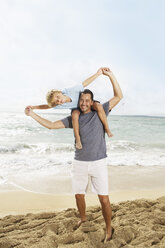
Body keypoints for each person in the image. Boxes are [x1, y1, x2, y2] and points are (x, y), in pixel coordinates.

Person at [25, 67, 123, 243]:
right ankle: (83, 218)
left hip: (99, 162)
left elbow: (118, 96)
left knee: (104, 199)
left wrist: (110, 76)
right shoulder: (73, 117)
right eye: (82, 100)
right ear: (79, 102)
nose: (84, 103)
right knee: (79, 195)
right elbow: (51, 125)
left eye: (87, 100)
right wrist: (32, 113)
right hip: (79, 163)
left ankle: (109, 228)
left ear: (92, 102)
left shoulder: (100, 112)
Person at [26, 68, 113, 150]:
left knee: (99, 106)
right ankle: (78, 140)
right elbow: (46, 106)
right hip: (77, 109)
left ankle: (107, 129)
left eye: (58, 97)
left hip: (85, 102)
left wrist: (98, 73)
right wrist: (34, 107)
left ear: (59, 92)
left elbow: (85, 83)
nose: (59, 100)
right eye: (57, 101)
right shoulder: (59, 104)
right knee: (74, 115)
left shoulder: (70, 90)